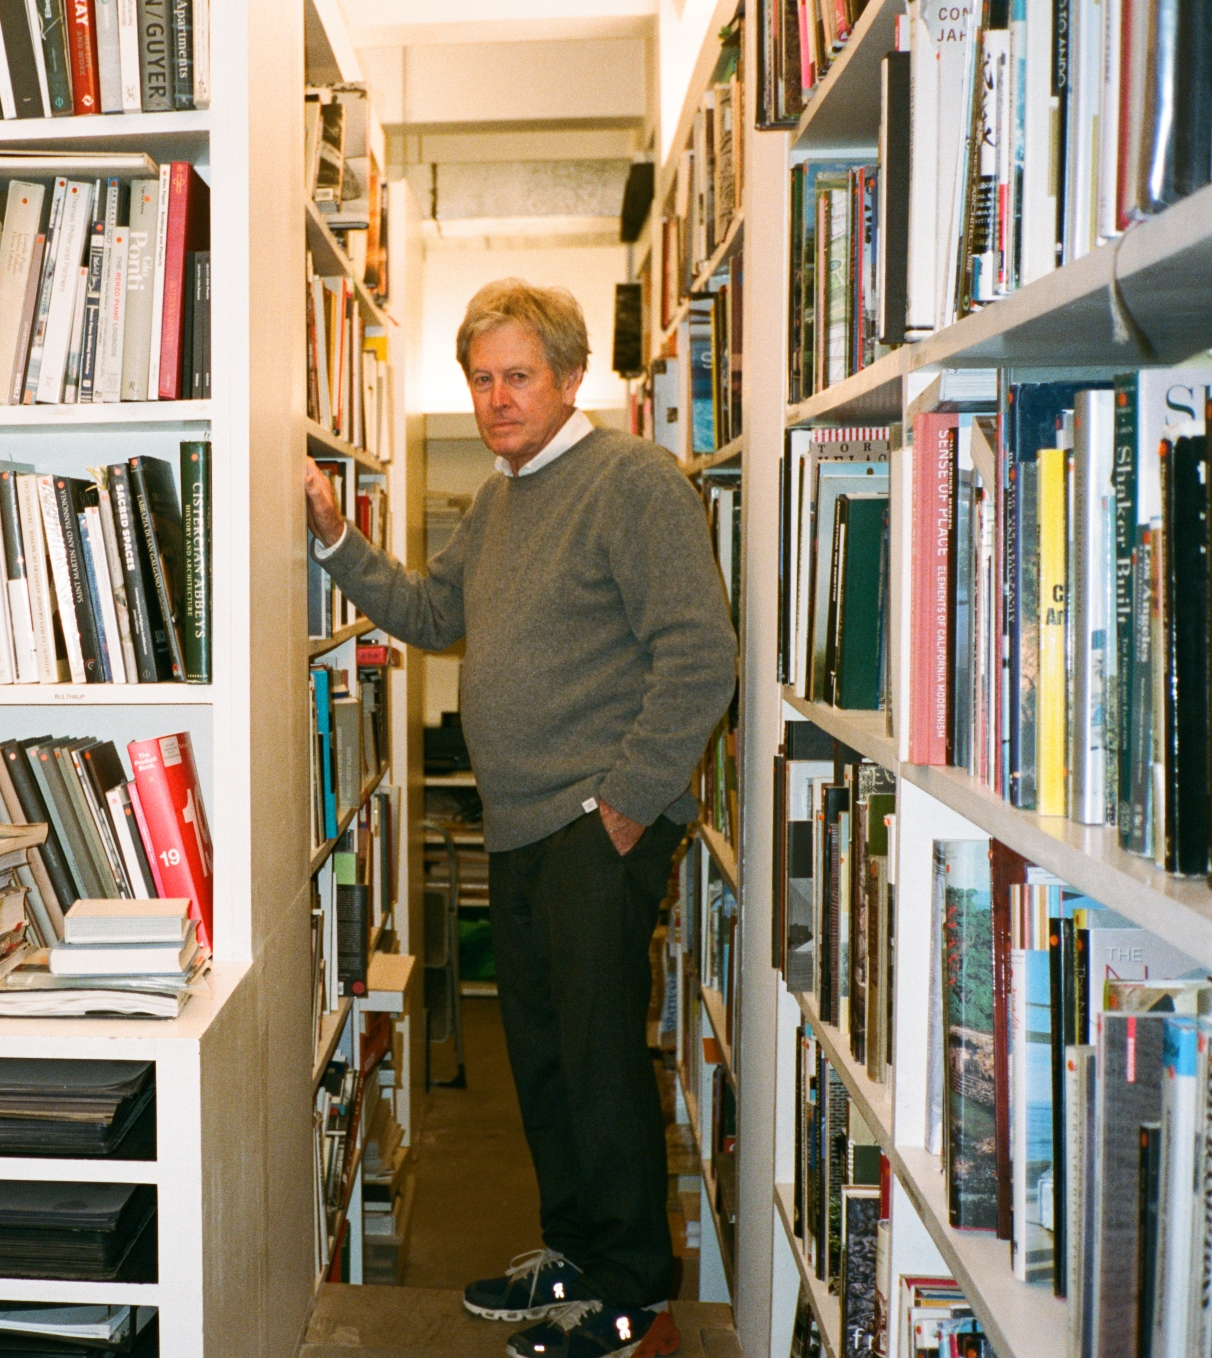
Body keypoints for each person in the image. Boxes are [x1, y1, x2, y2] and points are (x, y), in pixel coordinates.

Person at [304, 279, 735, 1358]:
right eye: (481, 379)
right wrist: (334, 539)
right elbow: (431, 611)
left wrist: (625, 804)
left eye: (519, 376)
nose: (497, 398)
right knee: (542, 1061)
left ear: (570, 377)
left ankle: (632, 1295)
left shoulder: (632, 479)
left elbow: (700, 655)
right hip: (520, 822)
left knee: (597, 1060)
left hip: (595, 824)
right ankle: (575, 1255)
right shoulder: (500, 500)